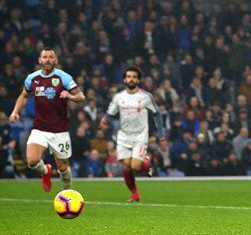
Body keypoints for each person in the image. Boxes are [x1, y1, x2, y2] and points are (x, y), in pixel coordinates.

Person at [8, 48, 86, 192]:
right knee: (31, 161)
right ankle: (45, 171)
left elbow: (81, 97)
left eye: (51, 57)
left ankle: (68, 193)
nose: (48, 60)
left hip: (60, 130)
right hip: (40, 128)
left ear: (56, 60)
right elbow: (23, 96)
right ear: (40, 60)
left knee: (63, 167)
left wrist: (69, 96)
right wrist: (15, 112)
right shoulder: (32, 78)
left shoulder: (64, 77)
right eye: (45, 57)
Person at [100, 66, 165, 202]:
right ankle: (135, 193)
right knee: (126, 165)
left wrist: (161, 132)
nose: (131, 79)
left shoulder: (146, 97)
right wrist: (105, 119)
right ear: (124, 79)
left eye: (134, 77)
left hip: (140, 135)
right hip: (124, 136)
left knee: (135, 166)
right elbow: (110, 113)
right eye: (129, 76)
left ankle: (146, 163)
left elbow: (156, 113)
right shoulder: (118, 97)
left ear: (138, 80)